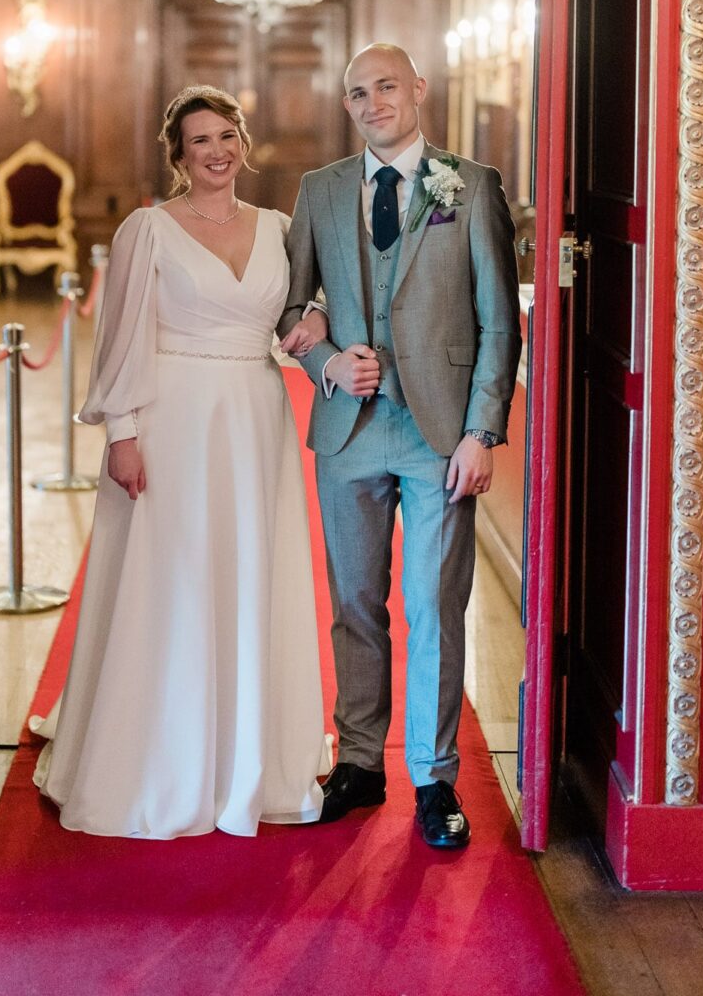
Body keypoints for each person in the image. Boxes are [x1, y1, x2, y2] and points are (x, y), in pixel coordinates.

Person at [29, 84, 330, 839]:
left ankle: (249, 751)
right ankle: (161, 754)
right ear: (179, 155)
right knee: (174, 582)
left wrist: (318, 316)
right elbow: (122, 336)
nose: (217, 151)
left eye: (227, 135)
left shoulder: (279, 227)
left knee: (247, 576)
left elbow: (297, 312)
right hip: (172, 420)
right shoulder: (148, 230)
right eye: (200, 141)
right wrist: (122, 432)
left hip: (254, 419)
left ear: (243, 142)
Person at [280, 43, 522, 850]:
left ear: (418, 89)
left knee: (433, 604)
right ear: (346, 106)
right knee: (353, 604)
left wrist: (482, 431)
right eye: (357, 93)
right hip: (348, 431)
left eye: (386, 86)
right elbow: (290, 311)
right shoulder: (318, 191)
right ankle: (357, 762)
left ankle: (434, 777)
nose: (373, 102)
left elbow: (499, 321)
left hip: (439, 432)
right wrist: (322, 359)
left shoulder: (471, 185)